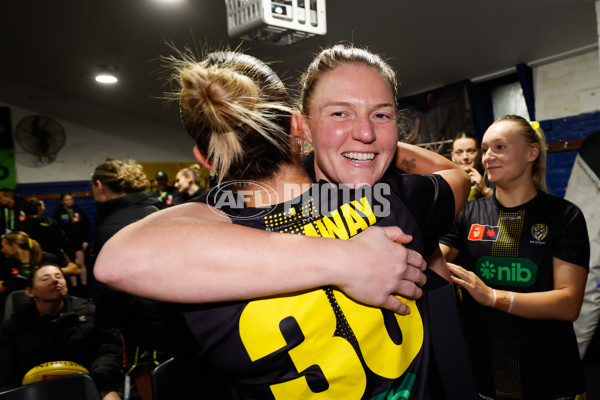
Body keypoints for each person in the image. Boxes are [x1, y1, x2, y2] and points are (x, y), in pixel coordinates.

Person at [99, 46, 471, 399]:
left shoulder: (188, 258)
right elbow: (454, 175)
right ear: (298, 126)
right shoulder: (388, 199)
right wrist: (369, 146)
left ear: (204, 158)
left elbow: (117, 261)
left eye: (380, 115)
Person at [439, 115, 589, 399]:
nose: (488, 157)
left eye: (500, 147)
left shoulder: (563, 216)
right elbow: (431, 261)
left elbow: (568, 303)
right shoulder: (466, 214)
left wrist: (493, 296)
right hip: (486, 383)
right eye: (485, 149)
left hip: (551, 384)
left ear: (531, 152)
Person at [88, 159, 168, 400]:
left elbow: (112, 287)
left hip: (143, 328)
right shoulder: (155, 210)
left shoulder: (113, 225)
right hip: (172, 320)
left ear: (100, 185)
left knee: (152, 384)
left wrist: (105, 322)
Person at [0, 264, 123, 399]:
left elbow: (109, 348)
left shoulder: (89, 312)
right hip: (34, 389)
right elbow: (5, 364)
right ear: (30, 292)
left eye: (59, 276)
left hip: (89, 382)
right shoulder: (17, 322)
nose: (55, 280)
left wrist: (98, 378)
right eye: (45, 279)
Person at [0, 231, 80, 297]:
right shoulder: (9, 263)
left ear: (13, 246)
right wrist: (10, 283)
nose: (2, 250)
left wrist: (47, 274)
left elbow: (75, 270)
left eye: (3, 246)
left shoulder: (46, 258)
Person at [53, 192, 92, 287]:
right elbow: (56, 231)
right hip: (66, 244)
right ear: (62, 201)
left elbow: (87, 226)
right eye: (67, 200)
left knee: (81, 264)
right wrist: (60, 246)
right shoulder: (58, 214)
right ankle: (74, 287)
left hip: (79, 242)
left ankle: (84, 285)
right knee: (71, 265)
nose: (69, 201)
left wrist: (86, 240)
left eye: (71, 199)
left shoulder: (78, 211)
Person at [19, 197, 75, 262]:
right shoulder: (49, 222)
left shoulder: (21, 225)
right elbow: (63, 240)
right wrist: (72, 256)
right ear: (38, 208)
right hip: (52, 257)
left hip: (31, 259)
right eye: (43, 206)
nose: (44, 208)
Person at [451, 132, 493, 201]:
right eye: (459, 152)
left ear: (479, 153)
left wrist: (485, 190)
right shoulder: (448, 185)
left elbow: (506, 210)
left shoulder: (492, 179)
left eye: (471, 151)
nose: (465, 157)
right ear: (452, 156)